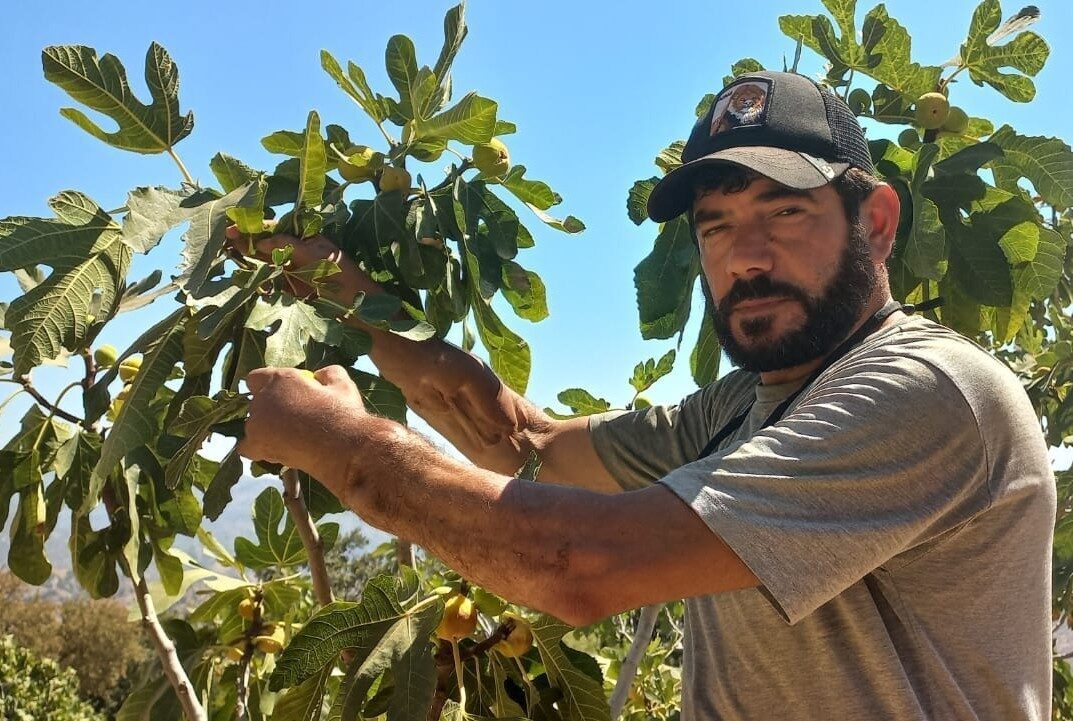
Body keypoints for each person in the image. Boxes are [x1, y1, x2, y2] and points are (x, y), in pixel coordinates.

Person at [235, 71, 1055, 720]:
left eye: (785, 211)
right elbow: (524, 446)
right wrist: (346, 295)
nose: (746, 256)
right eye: (716, 225)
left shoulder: (929, 394)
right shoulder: (735, 409)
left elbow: (578, 566)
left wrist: (345, 450)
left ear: (875, 222)